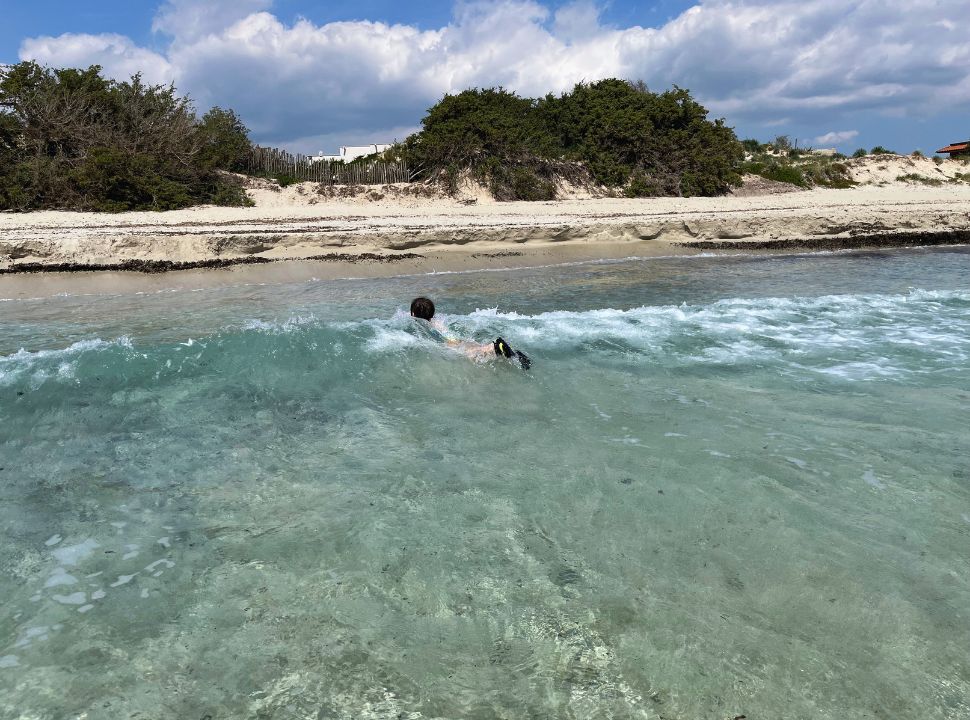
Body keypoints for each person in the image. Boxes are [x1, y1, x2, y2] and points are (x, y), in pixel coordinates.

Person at [409, 297, 531, 369]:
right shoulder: (437, 321)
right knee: (476, 348)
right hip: (456, 338)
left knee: (472, 355)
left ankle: (494, 347)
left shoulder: (425, 324)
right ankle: (514, 355)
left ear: (414, 314)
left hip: (450, 341)